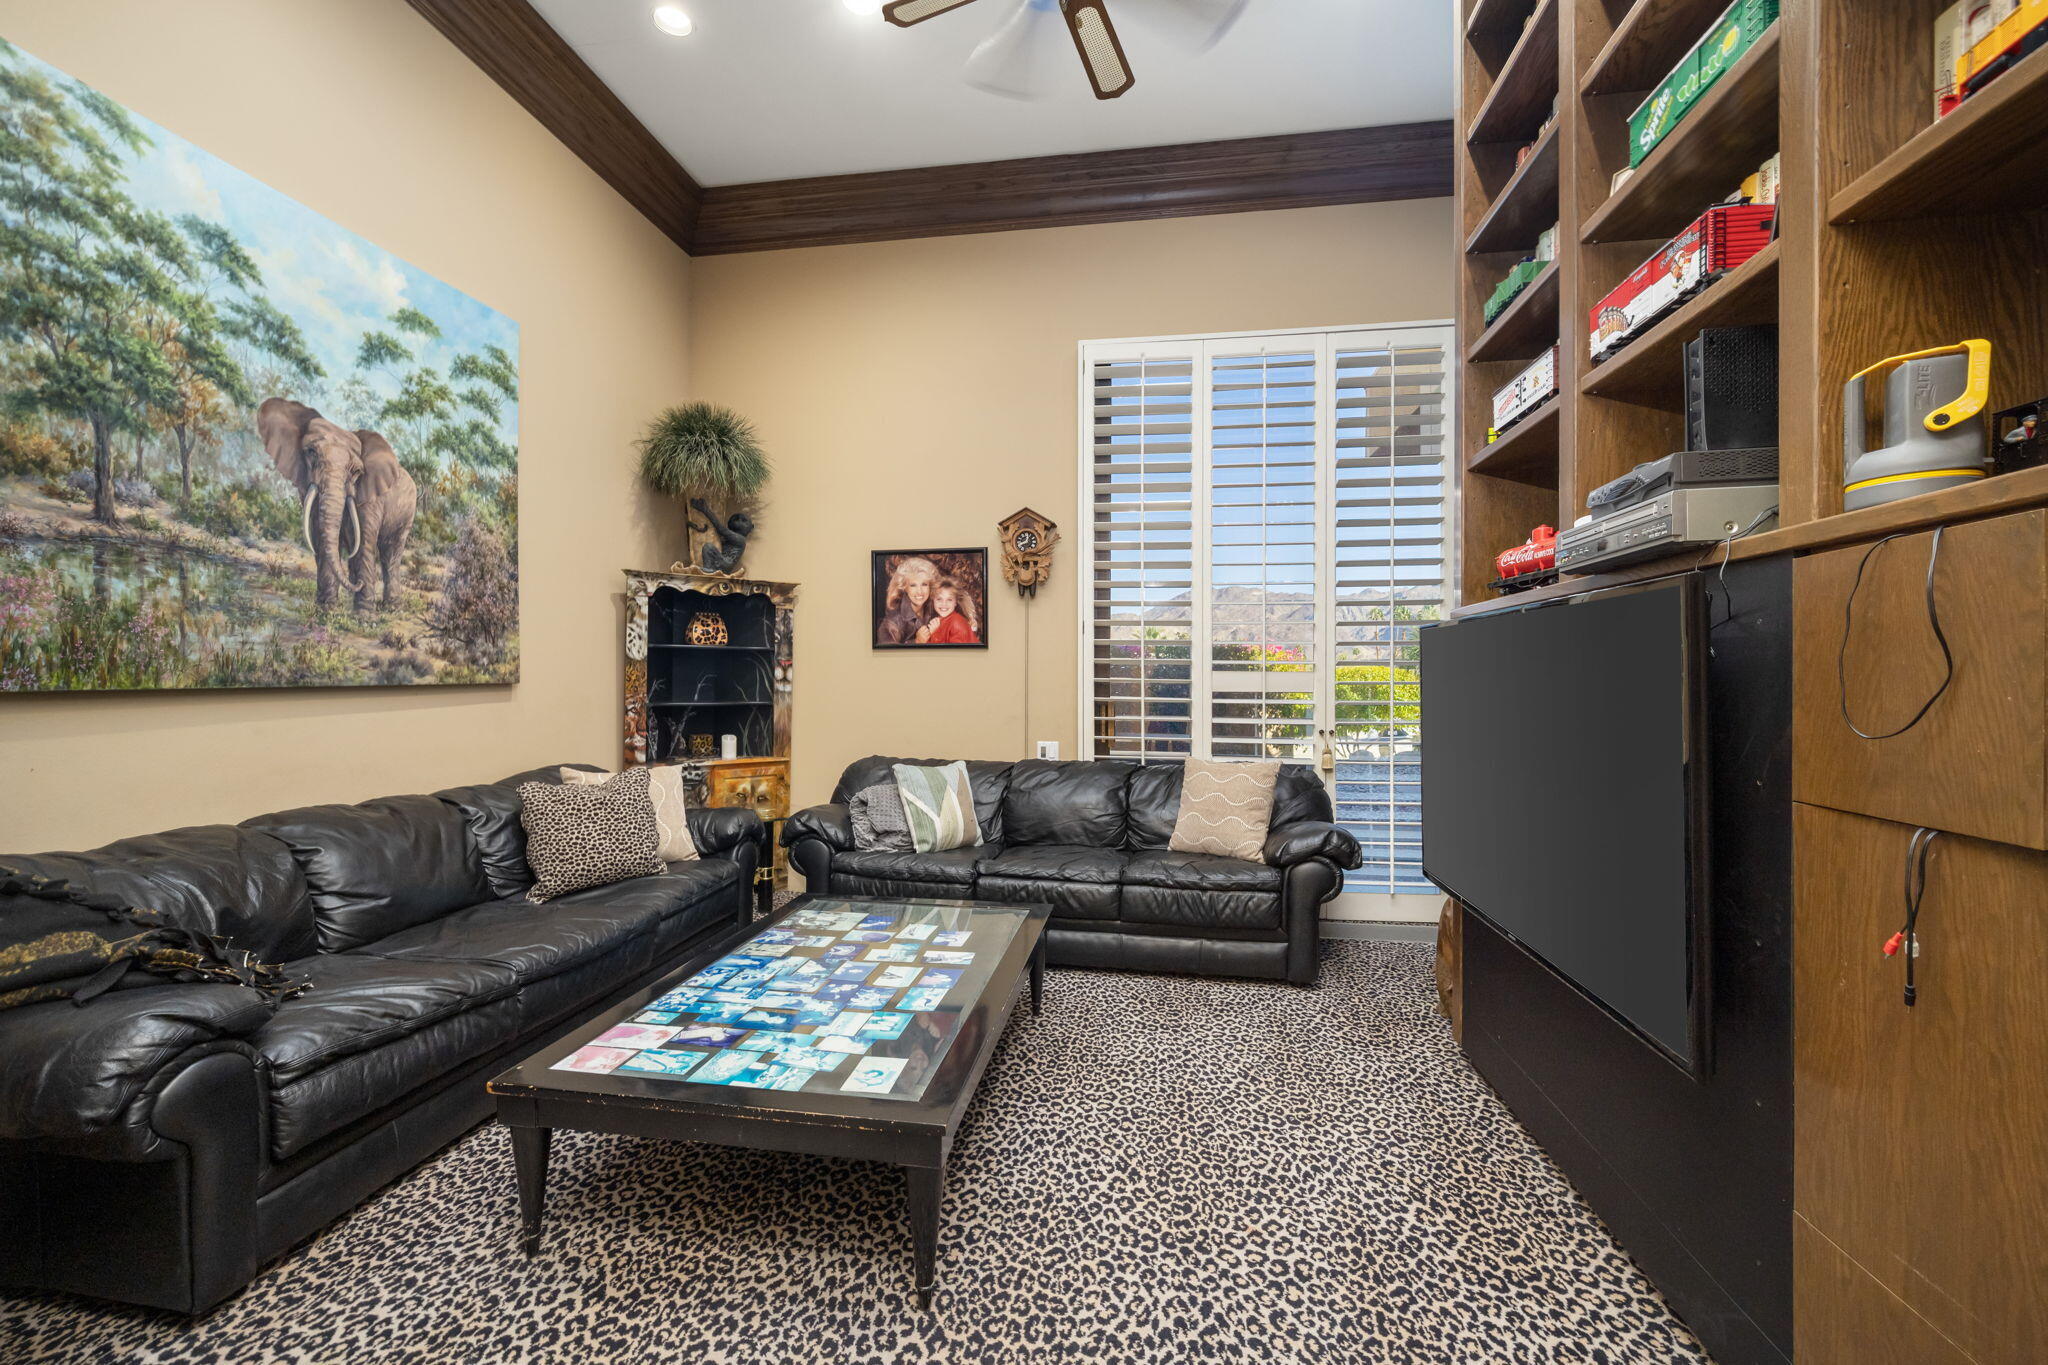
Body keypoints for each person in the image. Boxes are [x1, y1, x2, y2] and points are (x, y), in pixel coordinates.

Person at [876, 556, 938, 645]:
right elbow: (886, 654)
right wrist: (916, 641)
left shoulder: (935, 605)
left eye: (924, 584)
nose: (919, 591)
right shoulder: (893, 621)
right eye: (913, 585)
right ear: (904, 588)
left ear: (930, 586)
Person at [916, 579, 981, 645]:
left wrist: (935, 633)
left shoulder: (957, 623)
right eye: (939, 599)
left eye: (949, 600)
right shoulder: (941, 620)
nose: (944, 604)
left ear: (955, 602)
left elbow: (952, 653)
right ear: (933, 600)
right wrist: (919, 640)